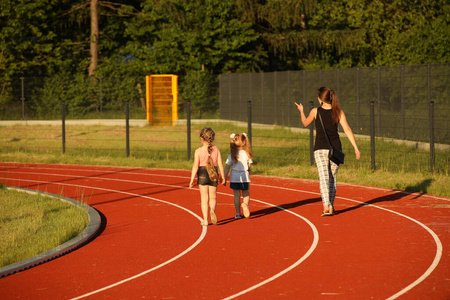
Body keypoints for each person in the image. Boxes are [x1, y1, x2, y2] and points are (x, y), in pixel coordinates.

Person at [295, 86, 361, 216]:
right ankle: (330, 205)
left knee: (324, 178)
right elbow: (347, 129)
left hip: (320, 148)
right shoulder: (339, 112)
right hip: (336, 149)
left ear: (320, 99)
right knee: (332, 179)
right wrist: (355, 148)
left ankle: (326, 205)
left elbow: (305, 123)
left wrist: (301, 111)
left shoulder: (315, 111)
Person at [189, 127, 225, 226]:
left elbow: (195, 166)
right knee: (213, 197)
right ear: (212, 138)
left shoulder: (198, 151)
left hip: (202, 173)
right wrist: (222, 176)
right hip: (213, 172)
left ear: (201, 138)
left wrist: (192, 179)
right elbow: (220, 164)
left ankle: (205, 220)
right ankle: (212, 210)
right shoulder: (216, 149)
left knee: (204, 198)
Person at [223, 133, 253, 219]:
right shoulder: (247, 153)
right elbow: (249, 166)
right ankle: (245, 204)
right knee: (246, 193)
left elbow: (227, 167)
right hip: (244, 177)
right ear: (244, 142)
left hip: (234, 178)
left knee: (236, 195)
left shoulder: (231, 155)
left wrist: (224, 178)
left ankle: (238, 213)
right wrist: (248, 172)